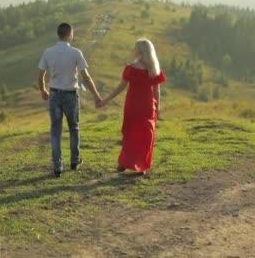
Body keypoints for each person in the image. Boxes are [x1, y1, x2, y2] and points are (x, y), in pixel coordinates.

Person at [38, 23, 102, 178]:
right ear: (70, 34)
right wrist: (96, 95)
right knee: (74, 128)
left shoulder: (48, 52)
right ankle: (74, 161)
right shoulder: (75, 53)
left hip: (54, 94)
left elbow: (40, 76)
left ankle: (57, 167)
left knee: (55, 131)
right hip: (70, 95)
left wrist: (43, 91)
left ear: (58, 34)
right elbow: (86, 77)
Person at [98, 38, 166, 175]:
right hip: (147, 106)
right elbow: (156, 91)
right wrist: (157, 107)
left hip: (132, 105)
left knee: (130, 133)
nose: (133, 51)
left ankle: (124, 163)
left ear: (140, 52)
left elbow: (120, 88)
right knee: (146, 135)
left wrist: (105, 100)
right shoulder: (154, 69)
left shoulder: (131, 68)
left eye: (135, 49)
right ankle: (141, 165)